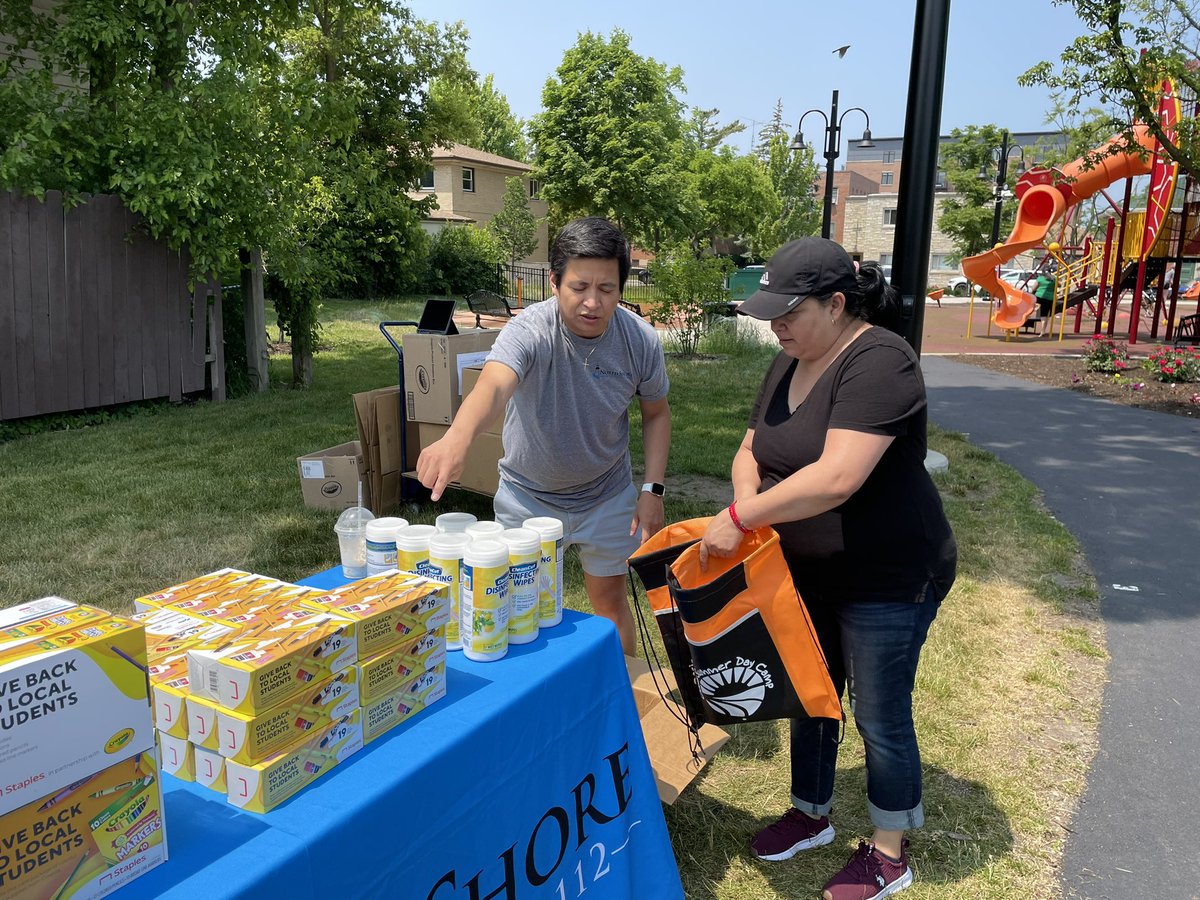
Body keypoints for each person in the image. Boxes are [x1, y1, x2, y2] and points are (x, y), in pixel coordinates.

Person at [699, 237, 956, 900]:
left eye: (789, 313)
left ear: (837, 304)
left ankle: (890, 850)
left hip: (888, 573)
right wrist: (746, 499)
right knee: (810, 692)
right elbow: (751, 449)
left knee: (878, 710)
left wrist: (743, 519)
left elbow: (838, 476)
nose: (775, 326)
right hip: (807, 569)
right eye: (770, 315)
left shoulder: (880, 360)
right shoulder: (788, 360)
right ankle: (810, 813)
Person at [416, 217, 671, 656]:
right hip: (527, 496)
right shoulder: (529, 329)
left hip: (606, 497)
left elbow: (657, 414)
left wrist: (653, 489)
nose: (592, 302)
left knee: (609, 605)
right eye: (579, 287)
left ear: (621, 288)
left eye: (607, 289)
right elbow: (494, 385)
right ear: (554, 282)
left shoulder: (640, 341)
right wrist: (456, 437)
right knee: (514, 612)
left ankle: (621, 702)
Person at [1034, 269, 1057, 337]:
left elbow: (1034, 288)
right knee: (1045, 315)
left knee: (1032, 304)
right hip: (1050, 298)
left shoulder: (1040, 278)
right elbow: (1057, 286)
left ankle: (1034, 308)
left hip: (1040, 296)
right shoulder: (1054, 279)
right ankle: (1043, 330)